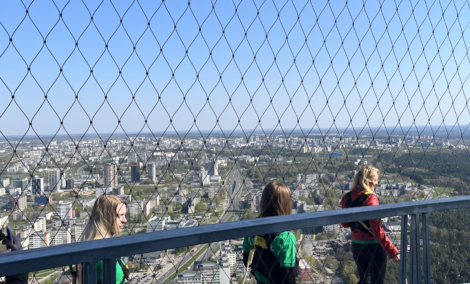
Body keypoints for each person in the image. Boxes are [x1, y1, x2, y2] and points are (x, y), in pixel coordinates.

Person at [341, 166, 400, 284]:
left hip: (357, 245)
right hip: (374, 247)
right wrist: (392, 251)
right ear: (367, 181)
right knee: (377, 281)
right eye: (375, 180)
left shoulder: (347, 197)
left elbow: (345, 223)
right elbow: (377, 229)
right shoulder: (371, 198)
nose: (377, 184)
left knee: (364, 280)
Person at [242, 182, 298, 284]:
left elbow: (247, 261)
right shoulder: (285, 237)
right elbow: (288, 276)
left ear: (263, 200)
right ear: (287, 204)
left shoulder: (252, 229)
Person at [82, 194, 129, 284]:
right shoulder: (100, 251)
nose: (124, 220)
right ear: (106, 217)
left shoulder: (101, 244)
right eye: (120, 215)